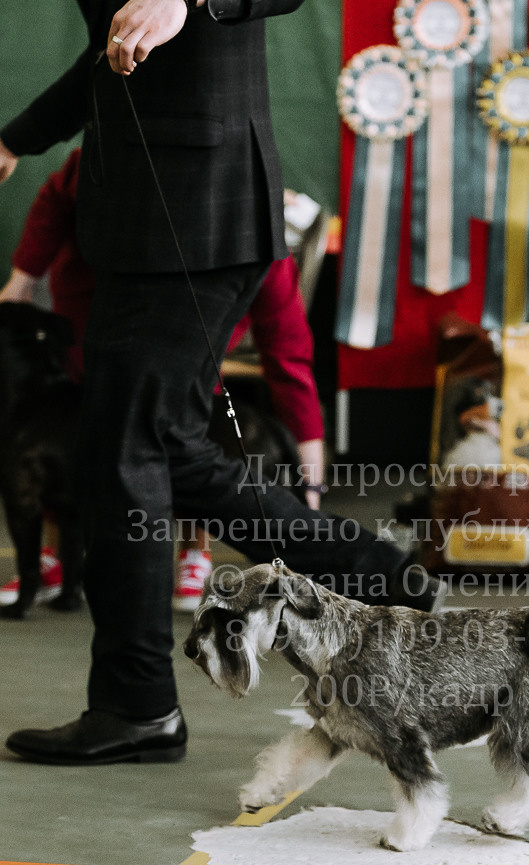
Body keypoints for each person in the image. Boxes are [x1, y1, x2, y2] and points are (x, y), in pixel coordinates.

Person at [0, 0, 441, 767]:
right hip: (141, 219)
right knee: (155, 446)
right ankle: (377, 573)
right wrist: (16, 137)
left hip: (204, 210)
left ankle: (136, 706)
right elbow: (113, 50)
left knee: (125, 452)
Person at [0, 147, 327, 612]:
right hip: (94, 296)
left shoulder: (263, 255)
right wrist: (23, 275)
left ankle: (194, 551)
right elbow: (56, 196)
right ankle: (57, 550)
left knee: (192, 425)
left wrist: (309, 497)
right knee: (73, 423)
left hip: (194, 340)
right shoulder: (95, 170)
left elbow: (292, 367)